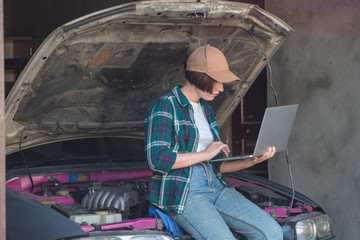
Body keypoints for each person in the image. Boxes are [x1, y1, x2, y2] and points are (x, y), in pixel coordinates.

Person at [145, 45, 283, 240]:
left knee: (272, 232)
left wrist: (252, 160)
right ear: (199, 76)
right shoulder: (165, 106)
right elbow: (157, 160)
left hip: (216, 187)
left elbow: (216, 167)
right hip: (186, 193)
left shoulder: (207, 111)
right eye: (216, 81)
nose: (220, 88)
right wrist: (204, 155)